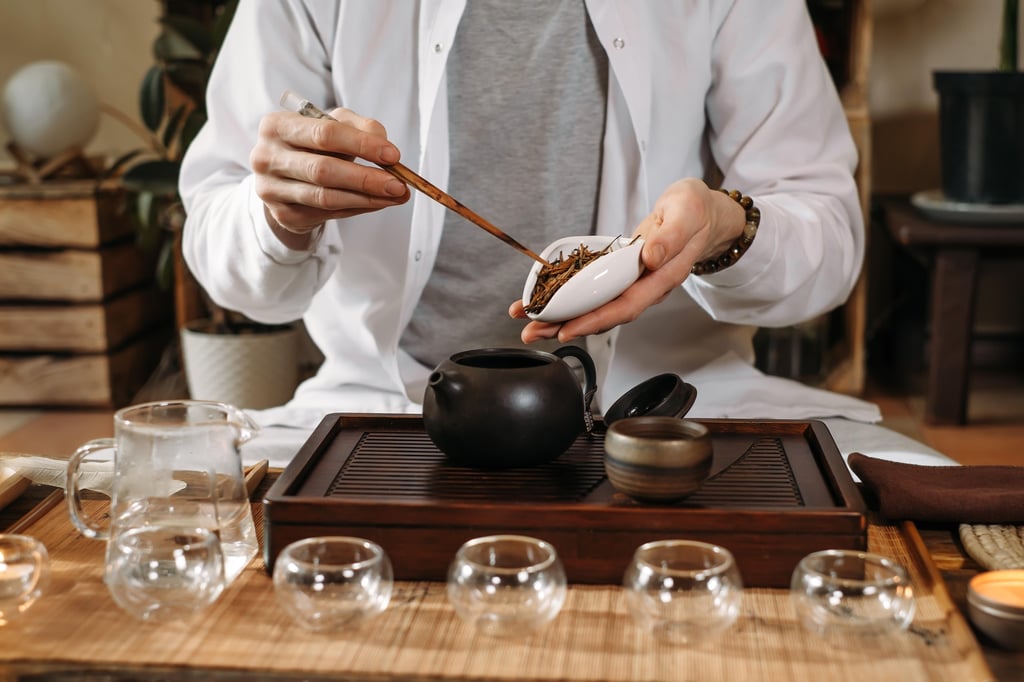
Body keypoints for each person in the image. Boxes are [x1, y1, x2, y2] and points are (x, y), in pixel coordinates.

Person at [180, 0, 885, 464]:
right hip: (382, 417)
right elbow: (227, 256)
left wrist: (725, 227)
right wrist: (280, 211)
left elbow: (828, 239)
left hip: (665, 412)